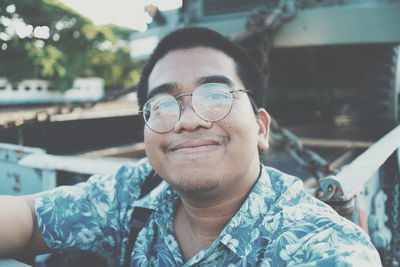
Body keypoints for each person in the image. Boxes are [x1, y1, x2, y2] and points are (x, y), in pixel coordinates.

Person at [0, 27, 381, 266]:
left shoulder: (316, 243)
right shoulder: (136, 192)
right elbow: (29, 218)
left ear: (261, 128)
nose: (187, 120)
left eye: (215, 96)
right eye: (163, 105)